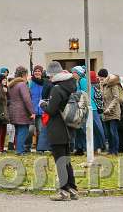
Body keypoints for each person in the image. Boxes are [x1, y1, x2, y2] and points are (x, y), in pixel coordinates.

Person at [41, 66, 79, 201]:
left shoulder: (57, 89)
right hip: (68, 128)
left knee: (60, 161)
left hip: (57, 128)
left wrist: (43, 105)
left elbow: (51, 110)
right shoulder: (70, 86)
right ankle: (72, 189)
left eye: (50, 76)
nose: (49, 79)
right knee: (66, 160)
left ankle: (63, 191)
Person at [28, 65, 49, 153]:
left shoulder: (45, 82)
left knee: (40, 130)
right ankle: (27, 147)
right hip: (32, 109)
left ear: (41, 72)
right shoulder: (30, 82)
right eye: (35, 71)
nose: (37, 72)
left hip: (41, 109)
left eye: (39, 71)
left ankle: (40, 148)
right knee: (30, 130)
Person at [101, 73, 123, 156]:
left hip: (113, 112)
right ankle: (110, 150)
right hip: (106, 111)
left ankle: (115, 150)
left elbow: (116, 98)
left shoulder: (114, 85)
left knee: (113, 132)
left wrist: (109, 108)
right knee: (108, 133)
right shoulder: (105, 86)